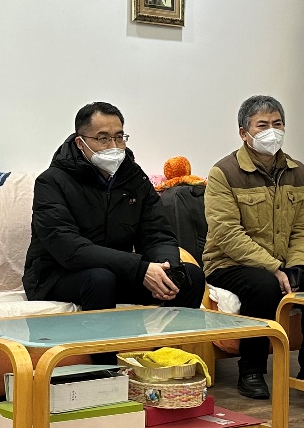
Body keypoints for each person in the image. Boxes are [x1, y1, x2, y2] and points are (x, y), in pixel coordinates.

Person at [203, 95, 304, 399]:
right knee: (264, 286)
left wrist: (297, 266)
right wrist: (274, 268)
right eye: (262, 125)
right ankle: (251, 370)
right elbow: (226, 233)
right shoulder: (224, 172)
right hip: (228, 264)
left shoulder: (297, 171)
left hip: (283, 263)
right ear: (244, 132)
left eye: (277, 124)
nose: (271, 132)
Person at [23, 102, 206, 315]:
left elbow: (157, 234)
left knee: (189, 277)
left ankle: (170, 339)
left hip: (118, 270)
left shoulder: (134, 178)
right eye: (103, 138)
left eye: (119, 137)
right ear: (80, 143)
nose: (114, 146)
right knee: (100, 279)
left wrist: (166, 268)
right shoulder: (51, 182)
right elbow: (69, 248)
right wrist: (139, 269)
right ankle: (102, 340)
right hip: (56, 275)